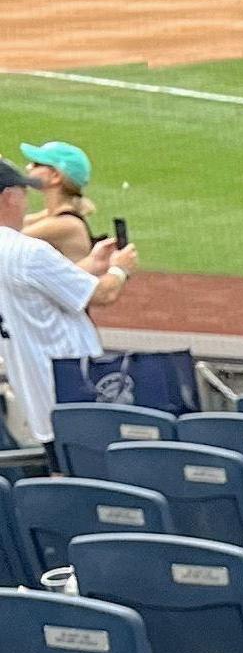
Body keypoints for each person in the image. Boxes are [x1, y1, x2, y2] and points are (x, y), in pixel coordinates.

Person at [0, 163, 133, 447]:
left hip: (33, 391)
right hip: (71, 388)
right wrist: (119, 270)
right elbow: (102, 295)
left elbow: (37, 290)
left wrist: (91, 265)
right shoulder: (27, 251)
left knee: (62, 474)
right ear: (11, 196)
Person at [18, 140, 97, 262]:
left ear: (55, 176)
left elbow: (9, 241)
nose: (28, 167)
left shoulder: (66, 224)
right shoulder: (54, 214)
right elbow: (15, 223)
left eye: (36, 164)